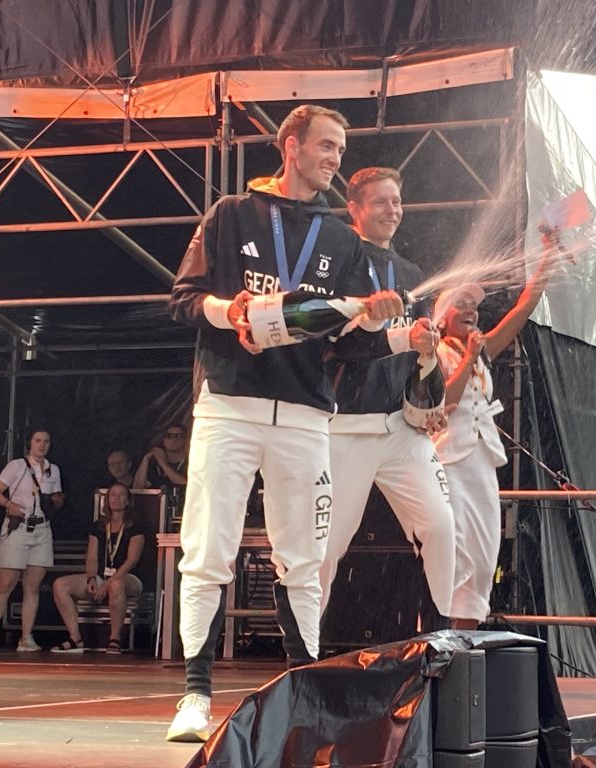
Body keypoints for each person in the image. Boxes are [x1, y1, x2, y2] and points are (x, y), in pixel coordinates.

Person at [165, 104, 404, 742]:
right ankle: (195, 693)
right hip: (229, 403)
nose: (335, 159)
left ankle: (304, 689)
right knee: (207, 549)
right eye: (326, 146)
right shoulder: (230, 216)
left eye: (340, 149)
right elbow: (182, 299)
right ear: (289, 146)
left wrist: (376, 322)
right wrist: (229, 310)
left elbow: (353, 349)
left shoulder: (342, 240)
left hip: (304, 414)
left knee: (303, 555)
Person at [319, 167, 455, 630]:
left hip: (401, 429)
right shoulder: (339, 262)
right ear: (354, 209)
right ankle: (300, 654)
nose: (391, 211)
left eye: (396, 201)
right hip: (346, 428)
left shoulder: (413, 275)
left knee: (439, 526)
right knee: (328, 545)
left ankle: (439, 640)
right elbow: (338, 343)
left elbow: (422, 355)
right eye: (380, 202)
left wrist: (428, 350)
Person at [431, 233, 559, 630]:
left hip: (482, 464)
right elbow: (442, 402)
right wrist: (468, 357)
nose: (471, 310)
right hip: (450, 462)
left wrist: (548, 257)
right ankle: (448, 643)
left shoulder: (481, 352)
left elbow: (523, 308)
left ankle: (465, 641)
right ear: (443, 317)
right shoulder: (432, 354)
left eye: (474, 306)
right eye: (461, 305)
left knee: (485, 555)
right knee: (457, 556)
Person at [0, 428, 65, 653]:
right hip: (19, 528)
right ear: (30, 443)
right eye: (38, 441)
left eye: (46, 441)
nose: (42, 445)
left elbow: (56, 499)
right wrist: (10, 505)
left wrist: (56, 501)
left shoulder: (52, 469)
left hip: (42, 529)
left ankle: (27, 637)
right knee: (5, 583)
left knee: (33, 586)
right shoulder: (17, 466)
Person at [49, 482, 146, 654]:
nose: (116, 499)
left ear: (128, 500)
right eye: (112, 495)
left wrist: (108, 584)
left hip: (128, 577)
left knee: (116, 586)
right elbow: (92, 557)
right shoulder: (99, 525)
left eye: (121, 495)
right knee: (60, 584)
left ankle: (115, 639)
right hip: (102, 576)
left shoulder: (135, 525)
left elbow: (132, 560)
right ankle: (75, 638)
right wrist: (92, 578)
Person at [133, 424, 187, 491]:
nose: (174, 439)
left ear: (185, 440)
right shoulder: (154, 463)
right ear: (163, 440)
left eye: (179, 436)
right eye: (169, 436)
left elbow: (184, 483)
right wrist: (146, 459)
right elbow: (137, 489)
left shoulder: (191, 462)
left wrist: (163, 463)